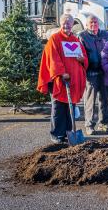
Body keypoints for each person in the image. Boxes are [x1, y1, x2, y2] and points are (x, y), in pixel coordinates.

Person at [37, 14, 88, 143]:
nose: (67, 25)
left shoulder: (76, 40)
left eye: (69, 23)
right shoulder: (55, 39)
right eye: (64, 23)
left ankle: (68, 132)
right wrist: (62, 72)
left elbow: (84, 57)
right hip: (60, 81)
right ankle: (56, 134)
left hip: (73, 82)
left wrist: (82, 59)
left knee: (69, 108)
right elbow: (52, 58)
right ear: (61, 24)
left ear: (72, 25)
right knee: (58, 108)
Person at [78, 15, 108, 135]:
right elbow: (80, 54)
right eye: (91, 22)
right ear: (86, 24)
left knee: (104, 99)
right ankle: (89, 125)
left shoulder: (106, 35)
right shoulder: (82, 36)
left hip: (104, 72)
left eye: (95, 22)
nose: (93, 24)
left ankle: (104, 123)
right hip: (91, 72)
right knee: (90, 101)